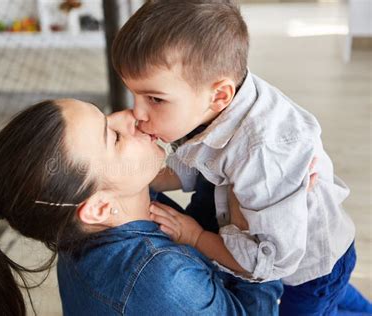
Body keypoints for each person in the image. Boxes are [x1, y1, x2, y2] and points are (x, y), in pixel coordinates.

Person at [110, 1, 372, 315]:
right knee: (340, 294)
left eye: (154, 99)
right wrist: (126, 171)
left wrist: (194, 235)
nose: (137, 113)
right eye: (133, 94)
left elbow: (267, 262)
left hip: (308, 271)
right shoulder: (211, 100)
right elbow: (195, 159)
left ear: (220, 95)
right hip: (311, 253)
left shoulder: (262, 156)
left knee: (325, 297)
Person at [0, 99, 283, 315]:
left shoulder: (89, 223)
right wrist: (265, 209)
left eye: (105, 114)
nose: (132, 117)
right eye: (112, 137)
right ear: (98, 208)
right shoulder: (159, 277)